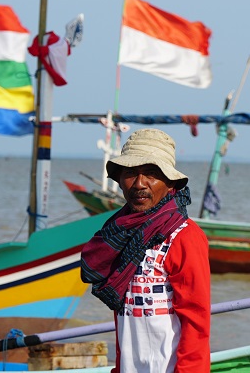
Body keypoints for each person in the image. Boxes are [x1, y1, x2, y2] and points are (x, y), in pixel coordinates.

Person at [80, 128, 211, 373]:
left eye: (151, 174)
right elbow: (126, 318)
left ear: (170, 182)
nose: (140, 184)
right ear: (119, 179)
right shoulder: (118, 235)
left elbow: (196, 321)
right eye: (130, 173)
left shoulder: (184, 236)